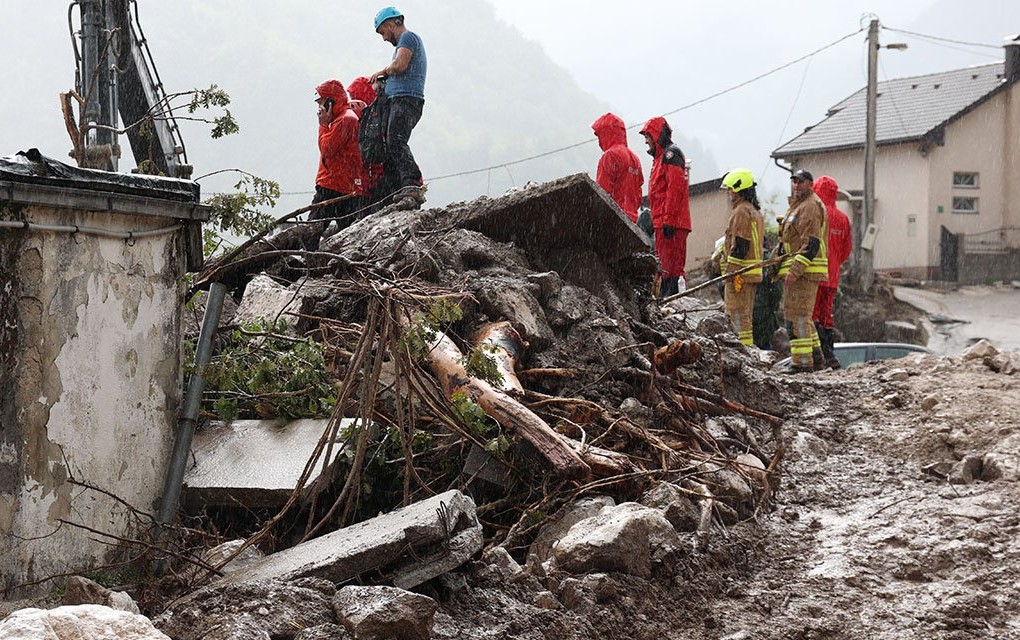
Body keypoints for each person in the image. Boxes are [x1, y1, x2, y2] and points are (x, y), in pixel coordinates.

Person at [371, 6, 427, 209]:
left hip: (407, 100)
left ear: (389, 24)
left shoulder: (408, 38)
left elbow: (400, 65)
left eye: (383, 33)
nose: (384, 38)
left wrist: (383, 71)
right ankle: (396, 189)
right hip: (399, 99)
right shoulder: (404, 42)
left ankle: (412, 183)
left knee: (396, 140)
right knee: (391, 145)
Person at [777, 169, 829, 373]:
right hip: (799, 269)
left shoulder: (810, 206)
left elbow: (811, 243)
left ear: (810, 184)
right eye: (794, 182)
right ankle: (816, 359)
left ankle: (801, 363)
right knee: (802, 316)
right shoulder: (799, 206)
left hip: (804, 272)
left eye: (800, 182)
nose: (796, 185)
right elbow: (789, 240)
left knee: (797, 315)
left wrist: (795, 270)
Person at [307, 79, 364, 251]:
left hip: (333, 186)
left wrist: (323, 125)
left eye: (321, 103)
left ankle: (308, 265)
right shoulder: (343, 118)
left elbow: (327, 150)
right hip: (345, 187)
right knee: (346, 234)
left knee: (311, 232)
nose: (319, 108)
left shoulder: (345, 120)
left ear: (330, 102)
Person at [639, 116, 691, 297]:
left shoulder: (671, 155)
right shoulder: (661, 158)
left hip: (671, 224)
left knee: (672, 270)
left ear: (657, 136)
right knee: (665, 269)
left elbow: (674, 190)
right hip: (664, 222)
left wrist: (668, 220)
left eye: (648, 136)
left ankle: (673, 303)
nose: (646, 141)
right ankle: (667, 301)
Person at [720, 169, 765, 347]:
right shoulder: (754, 211)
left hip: (741, 274)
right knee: (745, 315)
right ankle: (746, 348)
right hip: (751, 273)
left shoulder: (741, 211)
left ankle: (741, 350)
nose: (728, 193)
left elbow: (740, 244)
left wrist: (730, 271)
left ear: (739, 189)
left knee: (736, 314)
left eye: (730, 189)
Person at [812, 175, 853, 369]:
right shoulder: (843, 218)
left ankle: (820, 354)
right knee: (826, 315)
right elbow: (846, 250)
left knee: (811, 315)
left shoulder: (816, 213)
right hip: (832, 276)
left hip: (814, 274)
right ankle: (830, 354)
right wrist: (834, 263)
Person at [591, 112, 644, 223]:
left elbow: (602, 192)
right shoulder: (635, 159)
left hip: (614, 219)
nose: (599, 141)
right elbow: (638, 195)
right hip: (632, 221)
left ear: (606, 133)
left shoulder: (610, 155)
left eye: (600, 136)